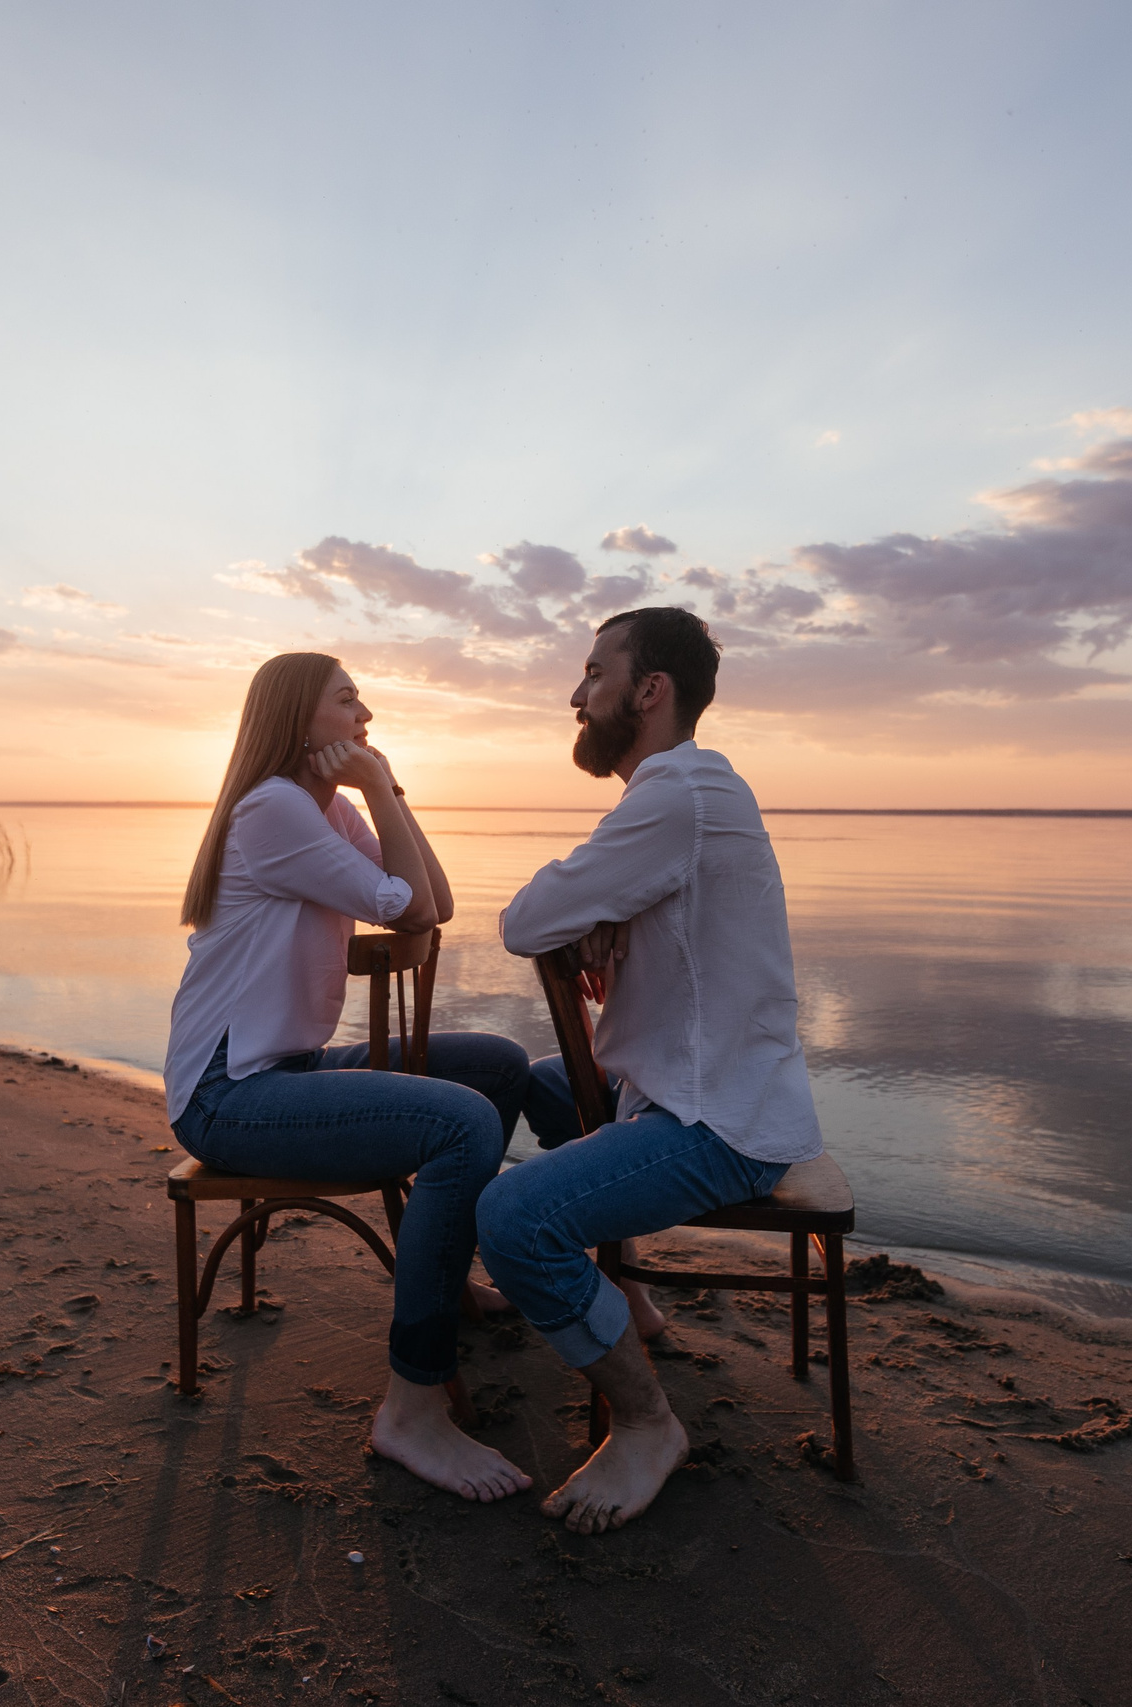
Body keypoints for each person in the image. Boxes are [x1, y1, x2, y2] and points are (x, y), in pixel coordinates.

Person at [477, 607, 823, 1533]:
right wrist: (606, 917)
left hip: (718, 1122)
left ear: (650, 690)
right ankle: (623, 1295)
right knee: (524, 1079)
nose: (578, 695)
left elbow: (520, 921)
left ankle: (645, 1422)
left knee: (511, 1217)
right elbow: (587, 907)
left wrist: (588, 911)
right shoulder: (689, 795)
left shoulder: (675, 797)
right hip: (685, 1085)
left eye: (596, 673)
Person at [165, 652, 533, 1502]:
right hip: (229, 1092)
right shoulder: (274, 810)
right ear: (301, 721)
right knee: (462, 1125)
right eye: (347, 699)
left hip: (280, 1066)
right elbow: (407, 906)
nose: (366, 713)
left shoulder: (322, 810)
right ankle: (411, 1407)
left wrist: (384, 788)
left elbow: (433, 898)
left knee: (497, 1066)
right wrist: (375, 789)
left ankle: (442, 1277)